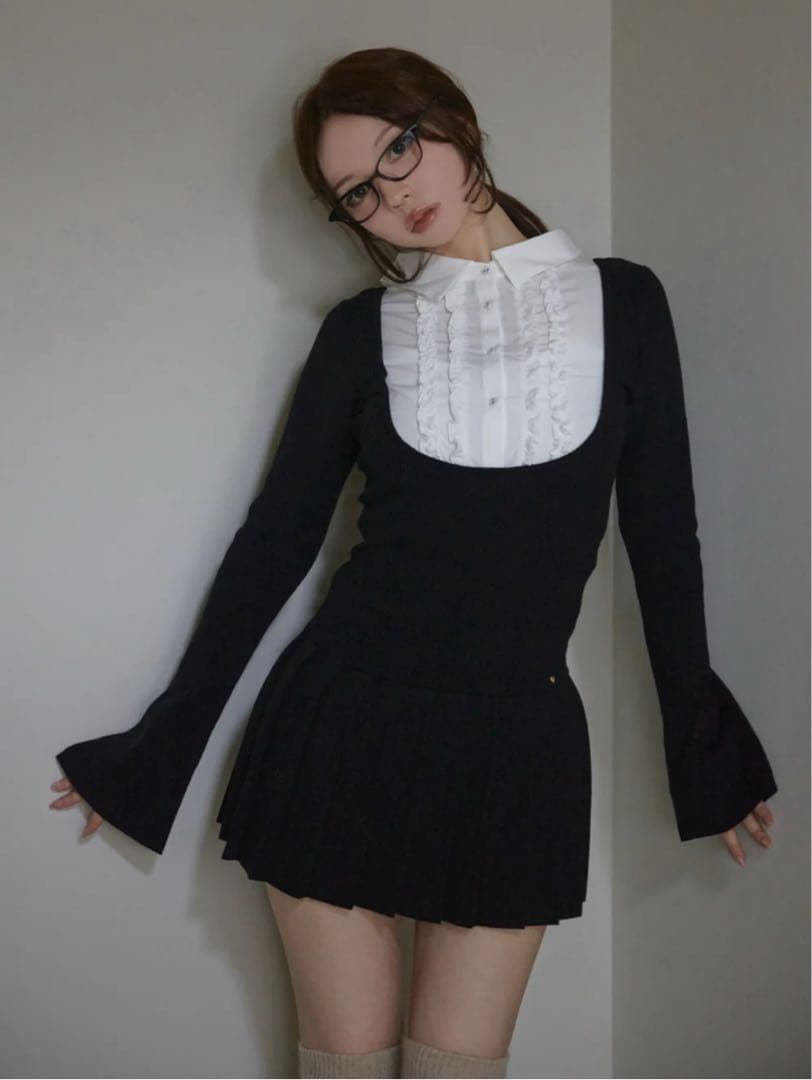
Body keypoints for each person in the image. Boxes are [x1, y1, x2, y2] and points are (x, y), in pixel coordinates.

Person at [50, 46, 778, 1080]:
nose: (391, 196)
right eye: (357, 191)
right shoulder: (359, 334)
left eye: (397, 150)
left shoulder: (625, 303)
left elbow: (664, 536)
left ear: (453, 122)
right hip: (337, 727)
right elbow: (274, 543)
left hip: (515, 747)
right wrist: (157, 750)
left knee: (455, 1068)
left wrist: (703, 747)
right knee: (345, 1066)